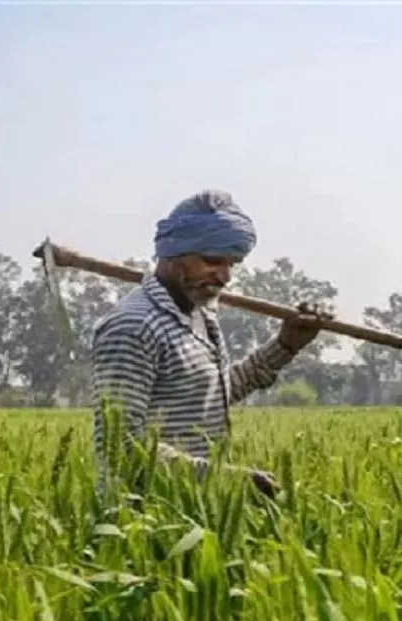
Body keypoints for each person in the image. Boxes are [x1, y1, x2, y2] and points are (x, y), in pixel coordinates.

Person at [36, 189, 330, 498]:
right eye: (212, 261)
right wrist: (227, 479)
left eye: (232, 264)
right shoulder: (133, 327)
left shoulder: (198, 313)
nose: (225, 277)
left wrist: (285, 346)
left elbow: (210, 394)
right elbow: (121, 446)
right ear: (173, 254)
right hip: (140, 515)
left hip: (195, 506)